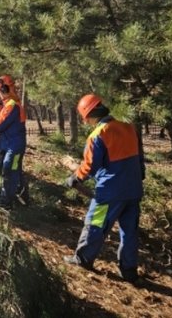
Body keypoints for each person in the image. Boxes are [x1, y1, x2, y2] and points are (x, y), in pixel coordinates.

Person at [62, 94, 145, 283]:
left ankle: (83, 259)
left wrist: (75, 178)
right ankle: (129, 270)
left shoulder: (98, 135)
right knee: (129, 231)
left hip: (108, 194)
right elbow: (140, 159)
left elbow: (90, 166)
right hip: (133, 191)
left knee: (95, 223)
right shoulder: (128, 127)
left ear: (88, 116)